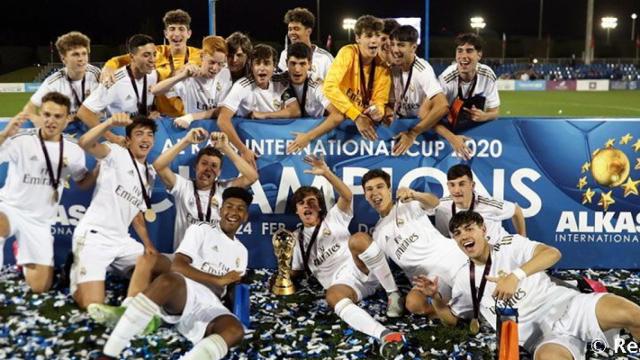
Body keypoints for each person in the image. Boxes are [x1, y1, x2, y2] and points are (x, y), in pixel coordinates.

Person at [416, 211, 640, 360]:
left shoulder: (509, 245)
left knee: (635, 315)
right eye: (457, 233)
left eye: (469, 228)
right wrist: (434, 298)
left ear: (483, 230)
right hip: (545, 338)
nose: (464, 235)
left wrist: (515, 276)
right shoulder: (465, 278)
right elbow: (453, 319)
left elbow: (552, 253)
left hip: (571, 307)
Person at [98, 187, 253, 360]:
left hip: (211, 303)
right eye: (229, 206)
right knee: (168, 281)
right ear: (221, 209)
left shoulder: (242, 251)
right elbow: (178, 266)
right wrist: (217, 279)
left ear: (245, 216)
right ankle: (109, 354)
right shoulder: (201, 229)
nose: (233, 212)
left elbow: (233, 289)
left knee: (235, 330)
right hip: (186, 292)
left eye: (240, 209)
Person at [289, 155, 405, 358]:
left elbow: (347, 195)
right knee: (332, 296)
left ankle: (393, 294)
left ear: (320, 206)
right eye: (301, 203)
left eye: (311, 201)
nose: (306, 205)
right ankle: (385, 334)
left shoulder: (333, 218)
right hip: (344, 285)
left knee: (358, 239)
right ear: (296, 210)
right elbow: (295, 272)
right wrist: (283, 272)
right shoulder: (295, 239)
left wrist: (326, 172)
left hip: (365, 268)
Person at [70, 114, 171, 309]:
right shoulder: (116, 153)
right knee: (92, 306)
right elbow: (85, 143)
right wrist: (108, 123)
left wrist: (148, 245)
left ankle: (130, 299)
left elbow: (137, 213)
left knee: (164, 266)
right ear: (128, 140)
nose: (145, 139)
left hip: (122, 241)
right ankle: (75, 273)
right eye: (139, 134)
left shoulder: (148, 174)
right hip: (94, 237)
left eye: (150, 135)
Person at [0, 92, 94, 291]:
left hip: (40, 221)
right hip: (10, 208)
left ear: (68, 118)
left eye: (58, 116)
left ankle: (22, 253)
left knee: (40, 287)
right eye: (47, 114)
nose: (51, 120)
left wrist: (100, 169)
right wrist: (5, 134)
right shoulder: (21, 141)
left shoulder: (73, 151)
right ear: (40, 114)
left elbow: (82, 182)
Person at [361, 169, 467, 316]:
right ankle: (452, 315)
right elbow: (378, 268)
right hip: (427, 279)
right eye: (369, 189)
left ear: (389, 189)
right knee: (413, 304)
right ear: (365, 196)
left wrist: (414, 194)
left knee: (478, 293)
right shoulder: (377, 234)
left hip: (451, 258)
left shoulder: (408, 204)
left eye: (380, 186)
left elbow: (434, 203)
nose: (375, 192)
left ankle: (464, 308)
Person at [153, 128, 257, 249]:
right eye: (204, 163)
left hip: (214, 261)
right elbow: (158, 166)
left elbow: (252, 177)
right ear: (195, 167)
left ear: (219, 172)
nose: (208, 168)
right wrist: (186, 141)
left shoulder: (224, 190)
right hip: (185, 261)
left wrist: (226, 148)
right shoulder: (183, 187)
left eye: (214, 166)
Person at [101, 9, 202, 117]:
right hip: (163, 118)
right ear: (166, 33)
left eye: (181, 29)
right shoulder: (155, 52)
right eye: (172, 29)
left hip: (192, 116)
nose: (177, 34)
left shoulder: (201, 55)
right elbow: (119, 60)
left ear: (189, 33)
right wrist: (108, 68)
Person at [218, 44, 300, 168]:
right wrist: (243, 150)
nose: (262, 68)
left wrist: (264, 115)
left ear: (274, 66)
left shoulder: (281, 82)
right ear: (251, 65)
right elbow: (222, 120)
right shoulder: (242, 86)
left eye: (267, 63)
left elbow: (295, 111)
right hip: (250, 148)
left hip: (275, 148)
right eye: (257, 63)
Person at [77, 34, 158, 146]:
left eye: (154, 54)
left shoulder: (153, 74)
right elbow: (84, 112)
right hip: (120, 140)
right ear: (132, 57)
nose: (152, 60)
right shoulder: (114, 81)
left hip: (142, 138)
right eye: (146, 55)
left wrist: (153, 112)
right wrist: (112, 138)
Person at [323, 15, 391, 141]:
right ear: (358, 38)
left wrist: (378, 112)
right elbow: (329, 87)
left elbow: (380, 101)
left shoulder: (383, 68)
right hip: (338, 124)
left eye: (377, 35)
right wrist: (357, 116)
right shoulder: (348, 53)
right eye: (369, 36)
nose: (374, 40)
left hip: (365, 126)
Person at [387, 25, 450, 156]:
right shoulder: (389, 66)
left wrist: (413, 133)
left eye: (401, 45)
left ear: (413, 47)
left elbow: (442, 106)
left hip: (419, 126)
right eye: (392, 44)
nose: (395, 49)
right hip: (398, 124)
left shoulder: (422, 69)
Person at [23, 32, 101, 132]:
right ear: (63, 58)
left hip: (90, 126)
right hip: (66, 129)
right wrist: (39, 121)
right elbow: (29, 108)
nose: (81, 59)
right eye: (75, 55)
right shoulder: (53, 82)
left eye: (84, 54)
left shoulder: (96, 74)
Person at [429, 164, 526, 242]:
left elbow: (516, 210)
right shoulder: (441, 206)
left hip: (497, 252)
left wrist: (522, 239)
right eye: (452, 185)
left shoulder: (487, 204)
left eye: (462, 184)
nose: (456, 190)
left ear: (472, 185)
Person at [151, 35, 232, 128]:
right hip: (194, 133)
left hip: (218, 132)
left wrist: (191, 117)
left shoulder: (226, 74)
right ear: (202, 56)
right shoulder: (190, 78)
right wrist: (182, 76)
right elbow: (155, 91)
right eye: (211, 62)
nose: (215, 68)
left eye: (220, 64)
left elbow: (222, 110)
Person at [438, 33, 500, 130]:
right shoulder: (446, 79)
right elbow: (430, 115)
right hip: (448, 128)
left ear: (479, 55)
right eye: (460, 51)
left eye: (469, 51)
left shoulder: (487, 75)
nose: (463, 56)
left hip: (475, 128)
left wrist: (484, 116)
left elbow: (495, 112)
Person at [276, 7, 334, 81]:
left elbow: (334, 86)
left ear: (308, 31)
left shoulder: (325, 58)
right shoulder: (285, 54)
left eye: (296, 29)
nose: (292, 33)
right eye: (290, 29)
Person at [283, 42, 329, 118]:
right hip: (286, 128)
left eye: (302, 64)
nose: (297, 69)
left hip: (315, 127)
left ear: (310, 64)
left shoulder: (317, 85)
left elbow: (336, 114)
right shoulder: (278, 81)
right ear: (286, 63)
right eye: (293, 63)